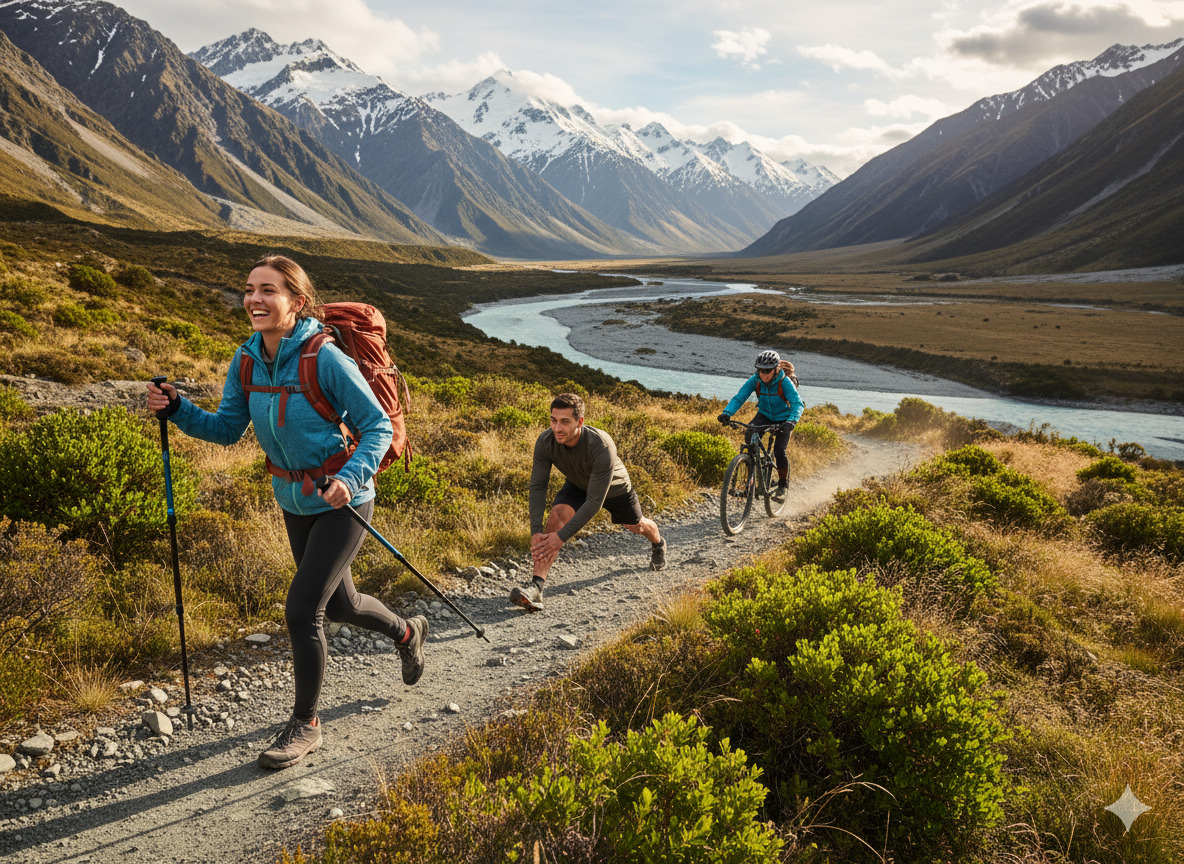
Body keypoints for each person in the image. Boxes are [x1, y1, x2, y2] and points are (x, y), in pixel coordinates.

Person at [146, 254, 428, 770]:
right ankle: (408, 632)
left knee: (303, 611)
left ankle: (306, 724)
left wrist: (349, 478)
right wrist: (179, 409)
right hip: (293, 500)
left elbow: (377, 428)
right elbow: (228, 429)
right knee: (340, 605)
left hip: (342, 499)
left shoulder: (326, 359)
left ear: (296, 303)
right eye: (249, 288)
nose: (254, 298)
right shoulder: (246, 360)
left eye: (268, 290)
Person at [511, 392, 666, 612]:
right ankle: (536, 588)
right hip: (577, 484)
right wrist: (536, 531)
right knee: (557, 517)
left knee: (635, 526)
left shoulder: (601, 445)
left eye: (565, 422)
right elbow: (538, 487)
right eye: (553, 420)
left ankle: (658, 542)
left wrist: (560, 539)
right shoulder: (546, 441)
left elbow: (594, 501)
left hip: (615, 489)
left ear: (580, 422)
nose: (557, 428)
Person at [717, 350, 804, 499]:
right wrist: (727, 413)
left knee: (779, 451)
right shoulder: (755, 379)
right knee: (750, 436)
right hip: (764, 414)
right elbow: (740, 397)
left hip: (784, 418)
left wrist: (792, 421)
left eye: (767, 370)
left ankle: (783, 485)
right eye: (760, 370)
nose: (763, 374)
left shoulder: (784, 382)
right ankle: (752, 474)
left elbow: (797, 403)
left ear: (776, 368)